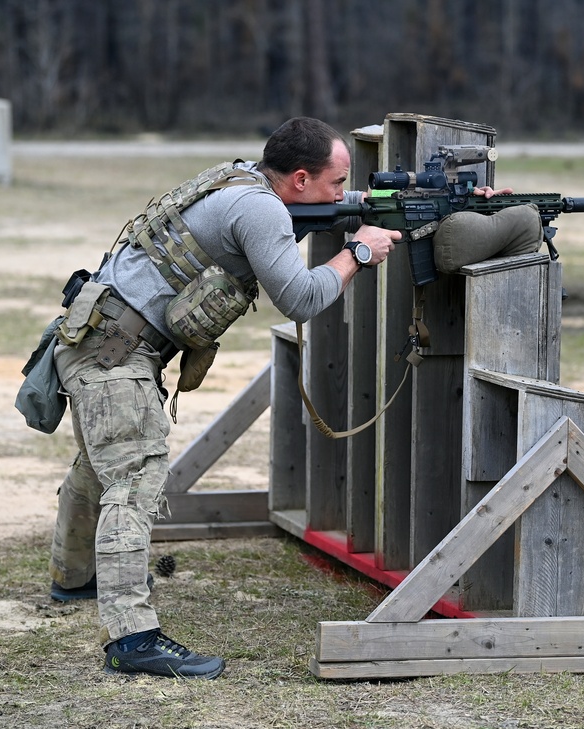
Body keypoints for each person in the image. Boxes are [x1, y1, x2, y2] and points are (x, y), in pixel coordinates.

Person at [46, 117, 401, 679]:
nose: (343, 193)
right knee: (134, 476)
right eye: (338, 183)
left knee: (101, 467)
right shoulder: (260, 210)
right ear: (301, 179)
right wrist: (357, 253)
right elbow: (303, 298)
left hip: (97, 336)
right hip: (112, 353)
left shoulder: (244, 181)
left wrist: (392, 201)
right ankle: (132, 639)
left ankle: (74, 578)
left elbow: (330, 205)